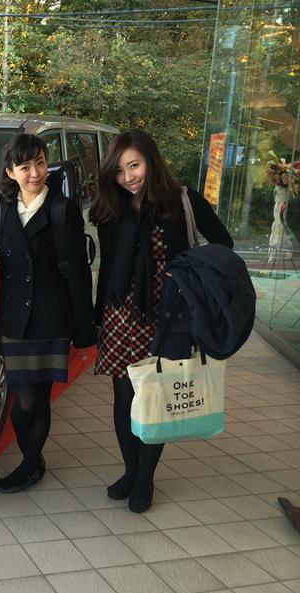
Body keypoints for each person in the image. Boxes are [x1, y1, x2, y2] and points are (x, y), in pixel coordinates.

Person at [90, 130, 232, 512]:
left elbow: (223, 243)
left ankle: (145, 478)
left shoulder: (182, 201)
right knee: (124, 397)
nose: (128, 178)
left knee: (156, 396)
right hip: (121, 315)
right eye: (119, 171)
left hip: (167, 316)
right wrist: (98, 318)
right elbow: (109, 266)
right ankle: (130, 470)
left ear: (150, 160)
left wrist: (187, 272)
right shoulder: (113, 207)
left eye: (134, 166)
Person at [0, 134, 96, 493]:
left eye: (40, 163)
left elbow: (77, 272)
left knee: (36, 398)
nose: (35, 172)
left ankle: (29, 465)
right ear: (11, 172)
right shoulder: (1, 206)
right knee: (22, 400)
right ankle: (32, 461)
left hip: (50, 318)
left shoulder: (61, 209)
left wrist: (84, 331)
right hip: (13, 319)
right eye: (25, 166)